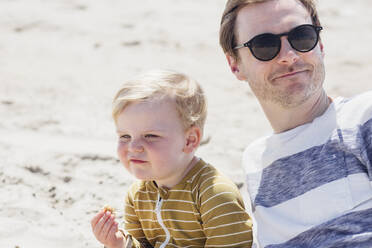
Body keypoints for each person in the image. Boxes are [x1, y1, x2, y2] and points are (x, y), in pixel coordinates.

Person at [219, 0, 372, 247]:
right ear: (235, 65)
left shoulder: (364, 117)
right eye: (264, 45)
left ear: (320, 45)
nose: (289, 56)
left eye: (302, 37)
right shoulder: (256, 162)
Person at [90, 70, 253, 248]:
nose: (133, 146)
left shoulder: (214, 195)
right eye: (125, 136)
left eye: (150, 135)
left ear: (190, 140)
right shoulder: (137, 195)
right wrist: (119, 243)